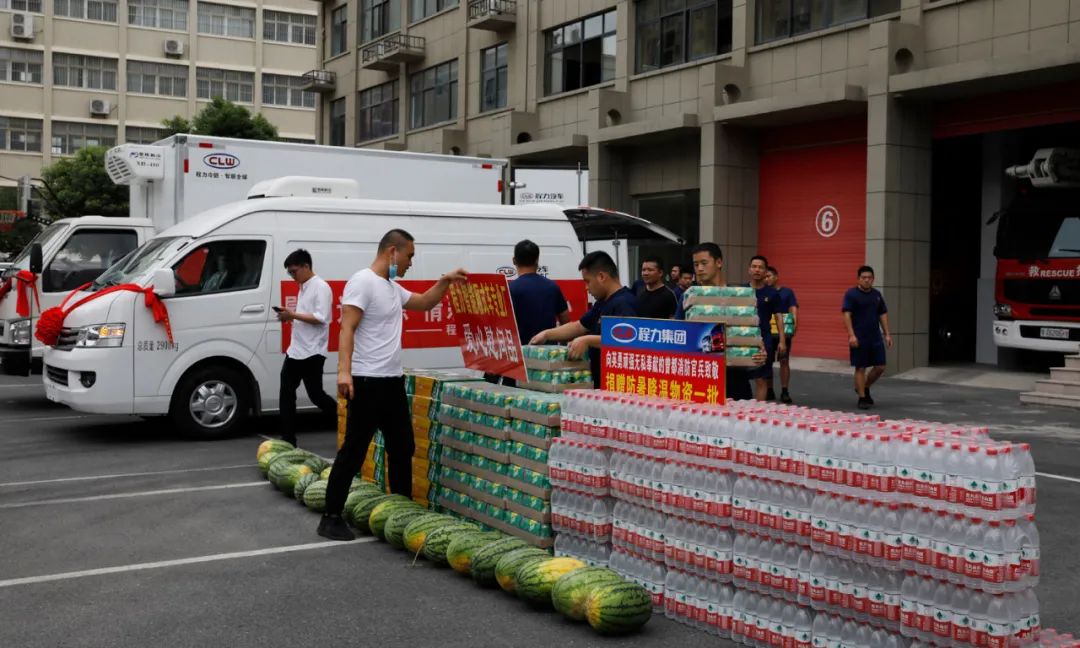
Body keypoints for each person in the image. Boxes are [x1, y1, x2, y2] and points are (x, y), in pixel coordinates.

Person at [319, 229, 467, 541]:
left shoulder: (391, 287)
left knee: (403, 447)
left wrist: (445, 281)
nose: (410, 262)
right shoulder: (362, 281)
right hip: (367, 382)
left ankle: (400, 512)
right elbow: (347, 328)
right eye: (409, 256)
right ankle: (330, 516)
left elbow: (424, 302)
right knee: (354, 451)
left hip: (392, 382)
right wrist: (344, 372)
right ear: (392, 252)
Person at [530, 251, 636, 388]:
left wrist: (586, 340)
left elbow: (627, 342)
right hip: (598, 383)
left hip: (615, 386)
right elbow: (579, 326)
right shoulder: (602, 302)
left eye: (587, 281)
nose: (586, 288)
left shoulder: (624, 304)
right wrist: (546, 334)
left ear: (601, 277)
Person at [487, 240, 571, 386]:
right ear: (537, 260)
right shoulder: (552, 287)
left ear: (514, 261)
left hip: (517, 364)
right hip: (546, 362)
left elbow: (500, 330)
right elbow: (565, 320)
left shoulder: (510, 290)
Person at [277, 249, 338, 446]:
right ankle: (288, 439)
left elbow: (322, 318)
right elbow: (306, 316)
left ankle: (349, 422)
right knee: (286, 393)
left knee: (316, 395)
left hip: (313, 352)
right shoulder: (303, 286)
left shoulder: (321, 287)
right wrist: (290, 317)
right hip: (296, 350)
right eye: (289, 273)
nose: (292, 276)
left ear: (306, 266)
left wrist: (292, 315)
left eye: (294, 271)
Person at [690, 243, 766, 401]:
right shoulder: (690, 299)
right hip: (701, 378)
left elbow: (753, 335)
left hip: (736, 380)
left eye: (704, 263)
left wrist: (759, 352)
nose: (699, 269)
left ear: (719, 262)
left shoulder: (739, 296)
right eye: (696, 265)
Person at [842, 265, 893, 410]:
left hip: (875, 337)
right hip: (859, 337)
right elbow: (846, 315)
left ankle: (864, 386)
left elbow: (882, 314)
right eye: (863, 278)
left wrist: (887, 334)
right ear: (858, 279)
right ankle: (862, 397)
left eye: (869, 278)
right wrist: (851, 335)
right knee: (861, 367)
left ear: (873, 279)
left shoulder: (876, 295)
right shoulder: (851, 294)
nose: (866, 280)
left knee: (880, 367)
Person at [747, 256, 786, 401]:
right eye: (754, 266)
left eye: (760, 267)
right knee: (740, 377)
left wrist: (782, 340)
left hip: (764, 339)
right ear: (749, 269)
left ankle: (758, 410)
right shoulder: (741, 290)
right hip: (743, 338)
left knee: (761, 378)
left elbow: (779, 317)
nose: (757, 270)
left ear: (765, 271)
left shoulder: (772, 293)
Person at [765, 265, 798, 404]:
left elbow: (793, 308)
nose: (766, 279)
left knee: (784, 361)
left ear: (776, 277)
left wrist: (794, 324)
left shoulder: (787, 292)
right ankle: (769, 390)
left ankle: (785, 391)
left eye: (769, 276)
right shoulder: (763, 292)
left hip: (783, 332)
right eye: (765, 277)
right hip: (767, 332)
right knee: (767, 362)